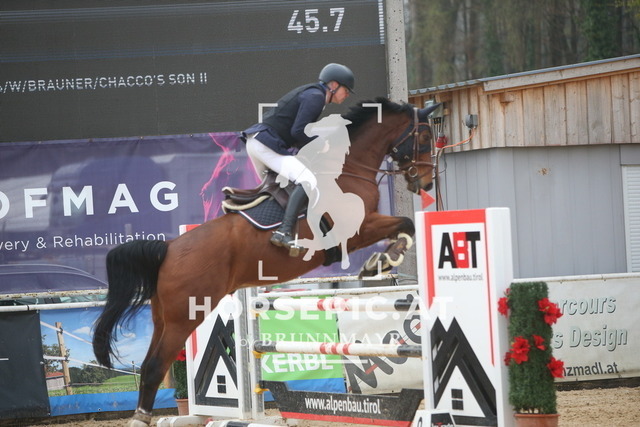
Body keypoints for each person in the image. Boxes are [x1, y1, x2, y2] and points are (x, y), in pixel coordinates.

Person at [243, 63, 355, 256]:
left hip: (257, 142)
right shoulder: (316, 97)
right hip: (265, 144)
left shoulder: (314, 94)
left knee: (277, 189)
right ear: (334, 85)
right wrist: (321, 145)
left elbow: (296, 134)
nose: (347, 95)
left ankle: (265, 231)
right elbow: (298, 131)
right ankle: (284, 232)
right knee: (308, 180)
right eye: (346, 90)